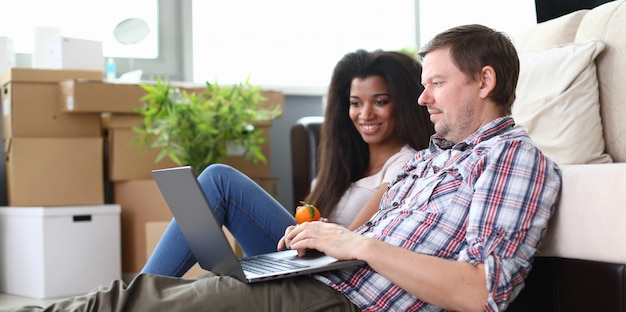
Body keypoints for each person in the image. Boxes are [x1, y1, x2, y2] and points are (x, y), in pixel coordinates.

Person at [11, 24, 562, 312]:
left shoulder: (513, 160)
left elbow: (483, 292)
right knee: (151, 295)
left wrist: (356, 246)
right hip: (327, 277)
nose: (423, 100)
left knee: (146, 300)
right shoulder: (444, 158)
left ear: (485, 82)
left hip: (341, 298)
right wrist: (327, 244)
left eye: (435, 84)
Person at [140, 49, 435, 277]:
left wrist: (319, 233)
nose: (365, 113)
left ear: (404, 105)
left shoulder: (405, 163)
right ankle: (140, 294)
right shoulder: (344, 168)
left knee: (219, 181)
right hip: (305, 259)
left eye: (380, 101)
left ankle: (133, 295)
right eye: (356, 102)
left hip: (335, 272)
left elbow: (353, 241)